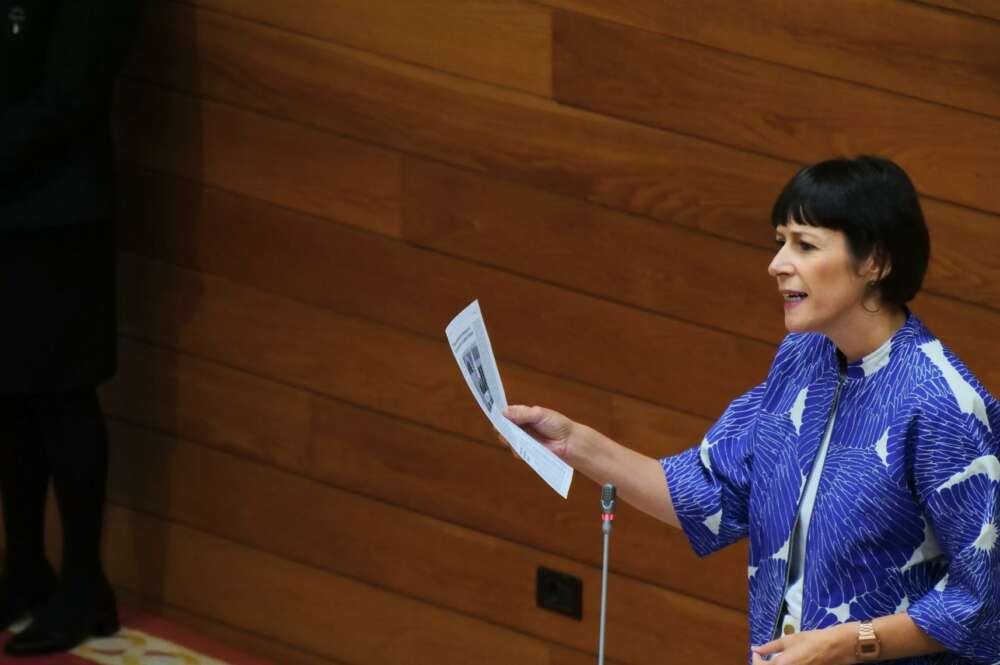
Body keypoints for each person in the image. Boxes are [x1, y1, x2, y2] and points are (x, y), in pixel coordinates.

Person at [501, 156, 999, 664]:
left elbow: (983, 603)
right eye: (779, 241)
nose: (777, 263)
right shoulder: (803, 357)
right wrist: (573, 443)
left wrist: (847, 642)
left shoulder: (944, 405)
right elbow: (707, 495)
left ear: (874, 261)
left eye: (804, 245)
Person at [0, 0, 143, 657]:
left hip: (63, 210)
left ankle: (85, 585)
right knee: (9, 394)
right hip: (10, 206)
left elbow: (71, 93)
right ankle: (25, 567)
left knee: (63, 395)